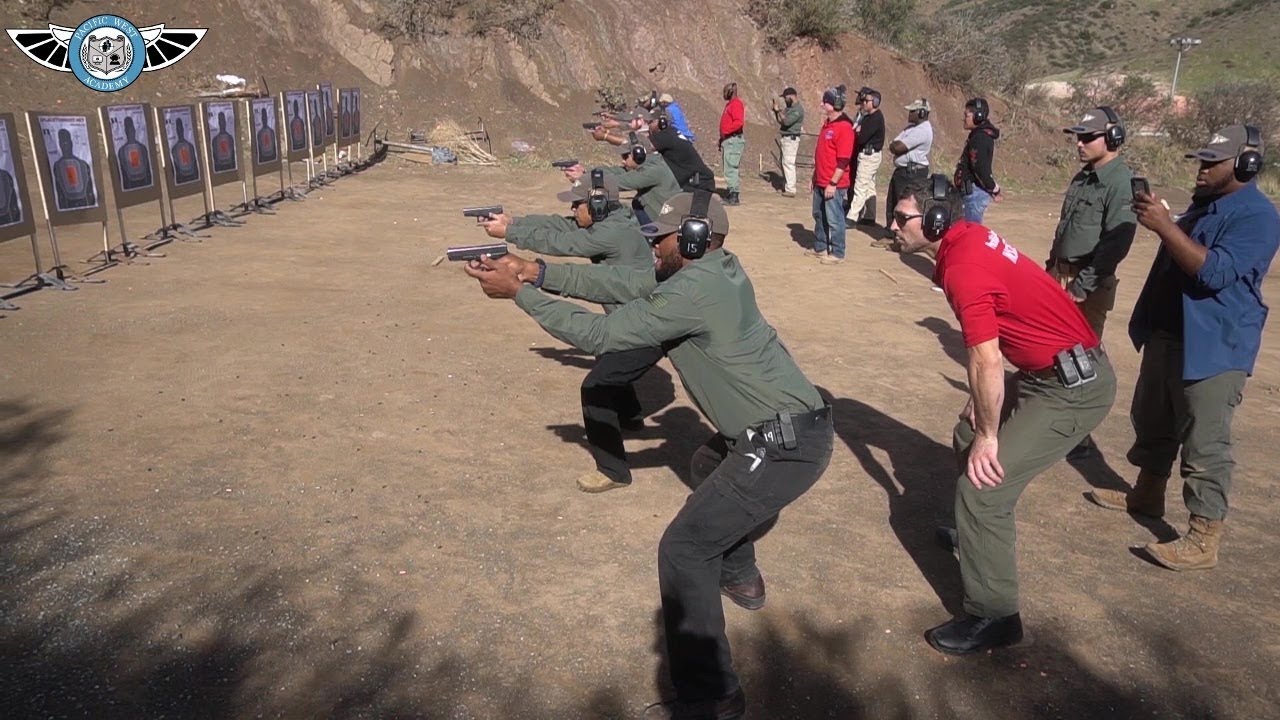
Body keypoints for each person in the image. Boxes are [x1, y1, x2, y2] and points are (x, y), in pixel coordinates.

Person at [463, 190, 833, 720]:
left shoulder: (692, 292)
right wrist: (535, 271)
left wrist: (521, 296)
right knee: (707, 466)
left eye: (659, 239)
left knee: (684, 550)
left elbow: (602, 334)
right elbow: (620, 282)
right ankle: (742, 576)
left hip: (784, 444)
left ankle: (713, 697)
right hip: (776, 432)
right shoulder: (712, 270)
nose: (652, 248)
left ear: (693, 237)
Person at [895, 174, 1116, 656]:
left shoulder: (962, 267)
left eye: (901, 217)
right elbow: (1001, 330)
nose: (893, 225)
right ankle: (977, 536)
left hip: (1073, 388)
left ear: (934, 222)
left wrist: (991, 435)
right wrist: (982, 406)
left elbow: (985, 358)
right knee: (964, 432)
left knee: (982, 487)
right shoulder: (966, 240)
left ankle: (995, 615)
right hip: (1048, 373)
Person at [1087, 125, 1279, 571]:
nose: (1202, 169)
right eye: (1201, 160)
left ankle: (1203, 535)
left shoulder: (1258, 216)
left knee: (1204, 440)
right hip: (1171, 334)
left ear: (1246, 165)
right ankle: (1148, 494)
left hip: (1215, 344)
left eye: (1213, 162)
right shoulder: (1205, 206)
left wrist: (1164, 227)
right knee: (1154, 418)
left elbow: (1213, 273)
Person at [475, 173, 660, 493]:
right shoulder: (608, 220)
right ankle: (630, 417)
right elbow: (561, 226)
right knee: (612, 360)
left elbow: (566, 243)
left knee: (596, 386)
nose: (573, 209)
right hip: (633, 316)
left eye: (578, 203)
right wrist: (514, 221)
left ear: (600, 205)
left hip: (646, 322)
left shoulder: (612, 233)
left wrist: (512, 235)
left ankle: (613, 469)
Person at [1048, 107, 1138, 459]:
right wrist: (1050, 271)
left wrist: (1081, 287)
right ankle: (1060, 424)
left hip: (1088, 281)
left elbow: (1116, 244)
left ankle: (1078, 435)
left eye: (1088, 137)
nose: (1079, 143)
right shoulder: (1084, 177)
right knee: (1056, 354)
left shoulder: (1119, 182)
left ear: (1112, 138)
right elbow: (1065, 229)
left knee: (1082, 357)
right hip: (1061, 273)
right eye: (1078, 136)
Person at [566, 133, 681, 226]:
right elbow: (616, 172)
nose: (623, 161)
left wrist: (585, 178)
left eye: (625, 157)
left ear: (638, 155)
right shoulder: (648, 164)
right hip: (656, 218)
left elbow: (617, 183)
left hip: (666, 225)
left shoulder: (654, 170)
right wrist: (586, 171)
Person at [594, 113, 716, 193]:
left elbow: (636, 147)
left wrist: (605, 136)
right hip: (694, 181)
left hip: (699, 185)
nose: (647, 125)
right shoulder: (670, 133)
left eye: (650, 122)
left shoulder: (665, 137)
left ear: (660, 122)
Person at [806, 87, 854, 265]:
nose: (821, 104)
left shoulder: (844, 128)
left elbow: (843, 161)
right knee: (819, 215)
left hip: (834, 183)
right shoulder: (827, 125)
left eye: (825, 101)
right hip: (821, 180)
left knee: (835, 219)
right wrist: (814, 177)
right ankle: (821, 247)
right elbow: (822, 155)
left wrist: (833, 183)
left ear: (834, 105)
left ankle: (838, 252)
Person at [882, 98, 933, 243]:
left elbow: (897, 147)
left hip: (912, 173)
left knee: (905, 206)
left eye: (913, 111)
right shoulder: (911, 128)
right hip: (903, 171)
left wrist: (895, 146)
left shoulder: (923, 130)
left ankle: (902, 238)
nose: (909, 114)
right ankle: (891, 234)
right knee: (892, 201)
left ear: (922, 113)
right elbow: (894, 144)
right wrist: (895, 146)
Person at [953, 98, 1001, 223]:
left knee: (970, 234)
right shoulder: (978, 136)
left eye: (966, 115)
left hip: (973, 195)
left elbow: (981, 169)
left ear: (978, 116)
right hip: (970, 194)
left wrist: (993, 188)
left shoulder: (980, 138)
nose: (964, 118)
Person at [846, 87, 884, 226]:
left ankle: (852, 217)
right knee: (868, 186)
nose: (863, 103)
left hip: (869, 155)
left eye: (866, 100)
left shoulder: (874, 118)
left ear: (874, 102)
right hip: (869, 155)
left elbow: (861, 138)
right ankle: (869, 216)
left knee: (860, 186)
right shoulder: (870, 117)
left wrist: (858, 132)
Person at [50, 128, 96, 210]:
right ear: (60, 145)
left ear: (71, 143)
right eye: (63, 143)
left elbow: (90, 192)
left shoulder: (83, 164)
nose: (65, 146)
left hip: (84, 203)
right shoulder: (57, 166)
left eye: (67, 142)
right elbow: (59, 192)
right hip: (67, 206)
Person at [772, 86, 804, 197]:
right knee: (784, 162)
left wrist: (779, 111)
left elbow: (786, 121)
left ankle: (791, 189)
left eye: (786, 98)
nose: (785, 100)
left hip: (791, 138)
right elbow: (780, 120)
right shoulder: (789, 108)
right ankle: (787, 185)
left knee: (789, 163)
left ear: (791, 96)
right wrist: (777, 112)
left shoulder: (798, 110)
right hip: (786, 138)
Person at [718, 82, 745, 206]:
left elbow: (738, 122)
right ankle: (731, 191)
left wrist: (726, 131)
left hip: (733, 140)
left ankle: (734, 195)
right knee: (728, 167)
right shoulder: (730, 105)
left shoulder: (736, 104)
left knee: (731, 168)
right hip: (728, 140)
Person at [117, 115, 153, 190]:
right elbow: (124, 176)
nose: (131, 132)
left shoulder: (142, 148)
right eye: (128, 129)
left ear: (134, 130)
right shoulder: (122, 151)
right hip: (131, 185)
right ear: (126, 131)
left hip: (144, 183)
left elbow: (148, 171)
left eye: (131, 129)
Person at [170, 117, 199, 185]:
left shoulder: (190, 146)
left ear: (183, 129)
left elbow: (195, 165)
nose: (180, 130)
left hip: (192, 177)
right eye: (178, 128)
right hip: (182, 179)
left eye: (181, 128)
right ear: (176, 130)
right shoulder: (174, 149)